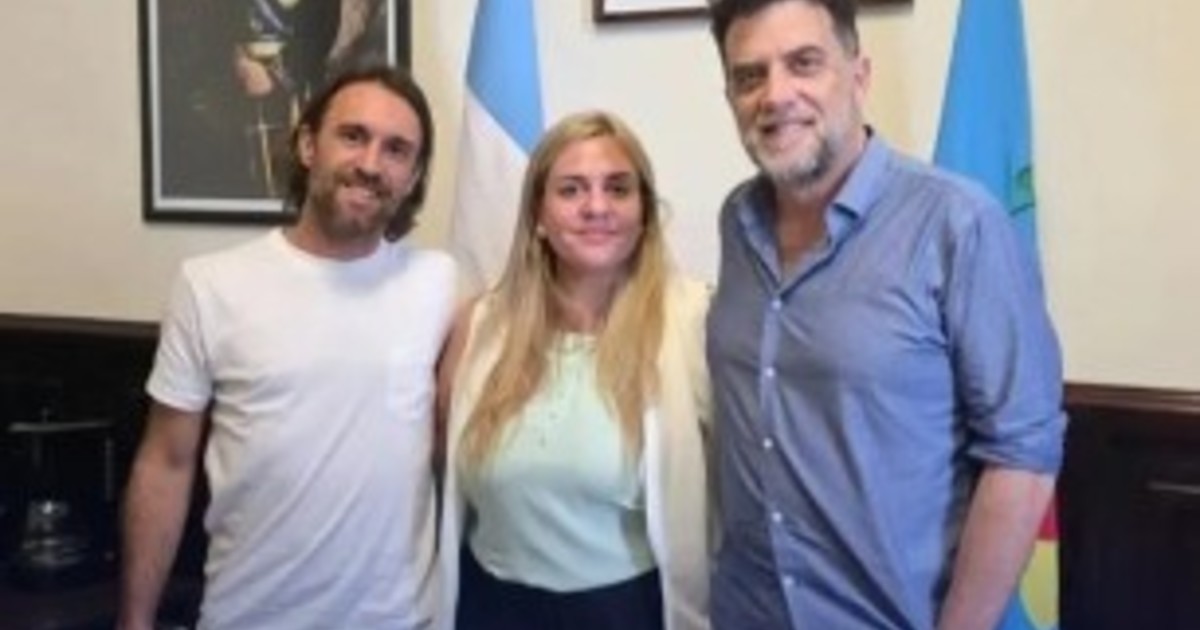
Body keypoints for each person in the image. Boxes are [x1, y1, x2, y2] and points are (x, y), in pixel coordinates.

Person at [703, 1, 1066, 629]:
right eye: (749, 76)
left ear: (858, 75)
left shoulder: (959, 224)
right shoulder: (737, 221)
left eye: (804, 63)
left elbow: (1023, 455)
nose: (776, 94)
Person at [118, 64, 454, 630]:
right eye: (353, 136)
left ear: (414, 174)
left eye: (396, 150)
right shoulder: (210, 285)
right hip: (250, 616)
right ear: (306, 145)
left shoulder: (440, 284)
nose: (371, 164)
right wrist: (134, 621)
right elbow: (165, 464)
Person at [436, 111, 711, 630]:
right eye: (571, 190)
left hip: (624, 612)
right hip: (488, 607)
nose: (597, 207)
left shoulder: (693, 321)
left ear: (644, 211)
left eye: (618, 188)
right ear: (537, 215)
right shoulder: (480, 325)